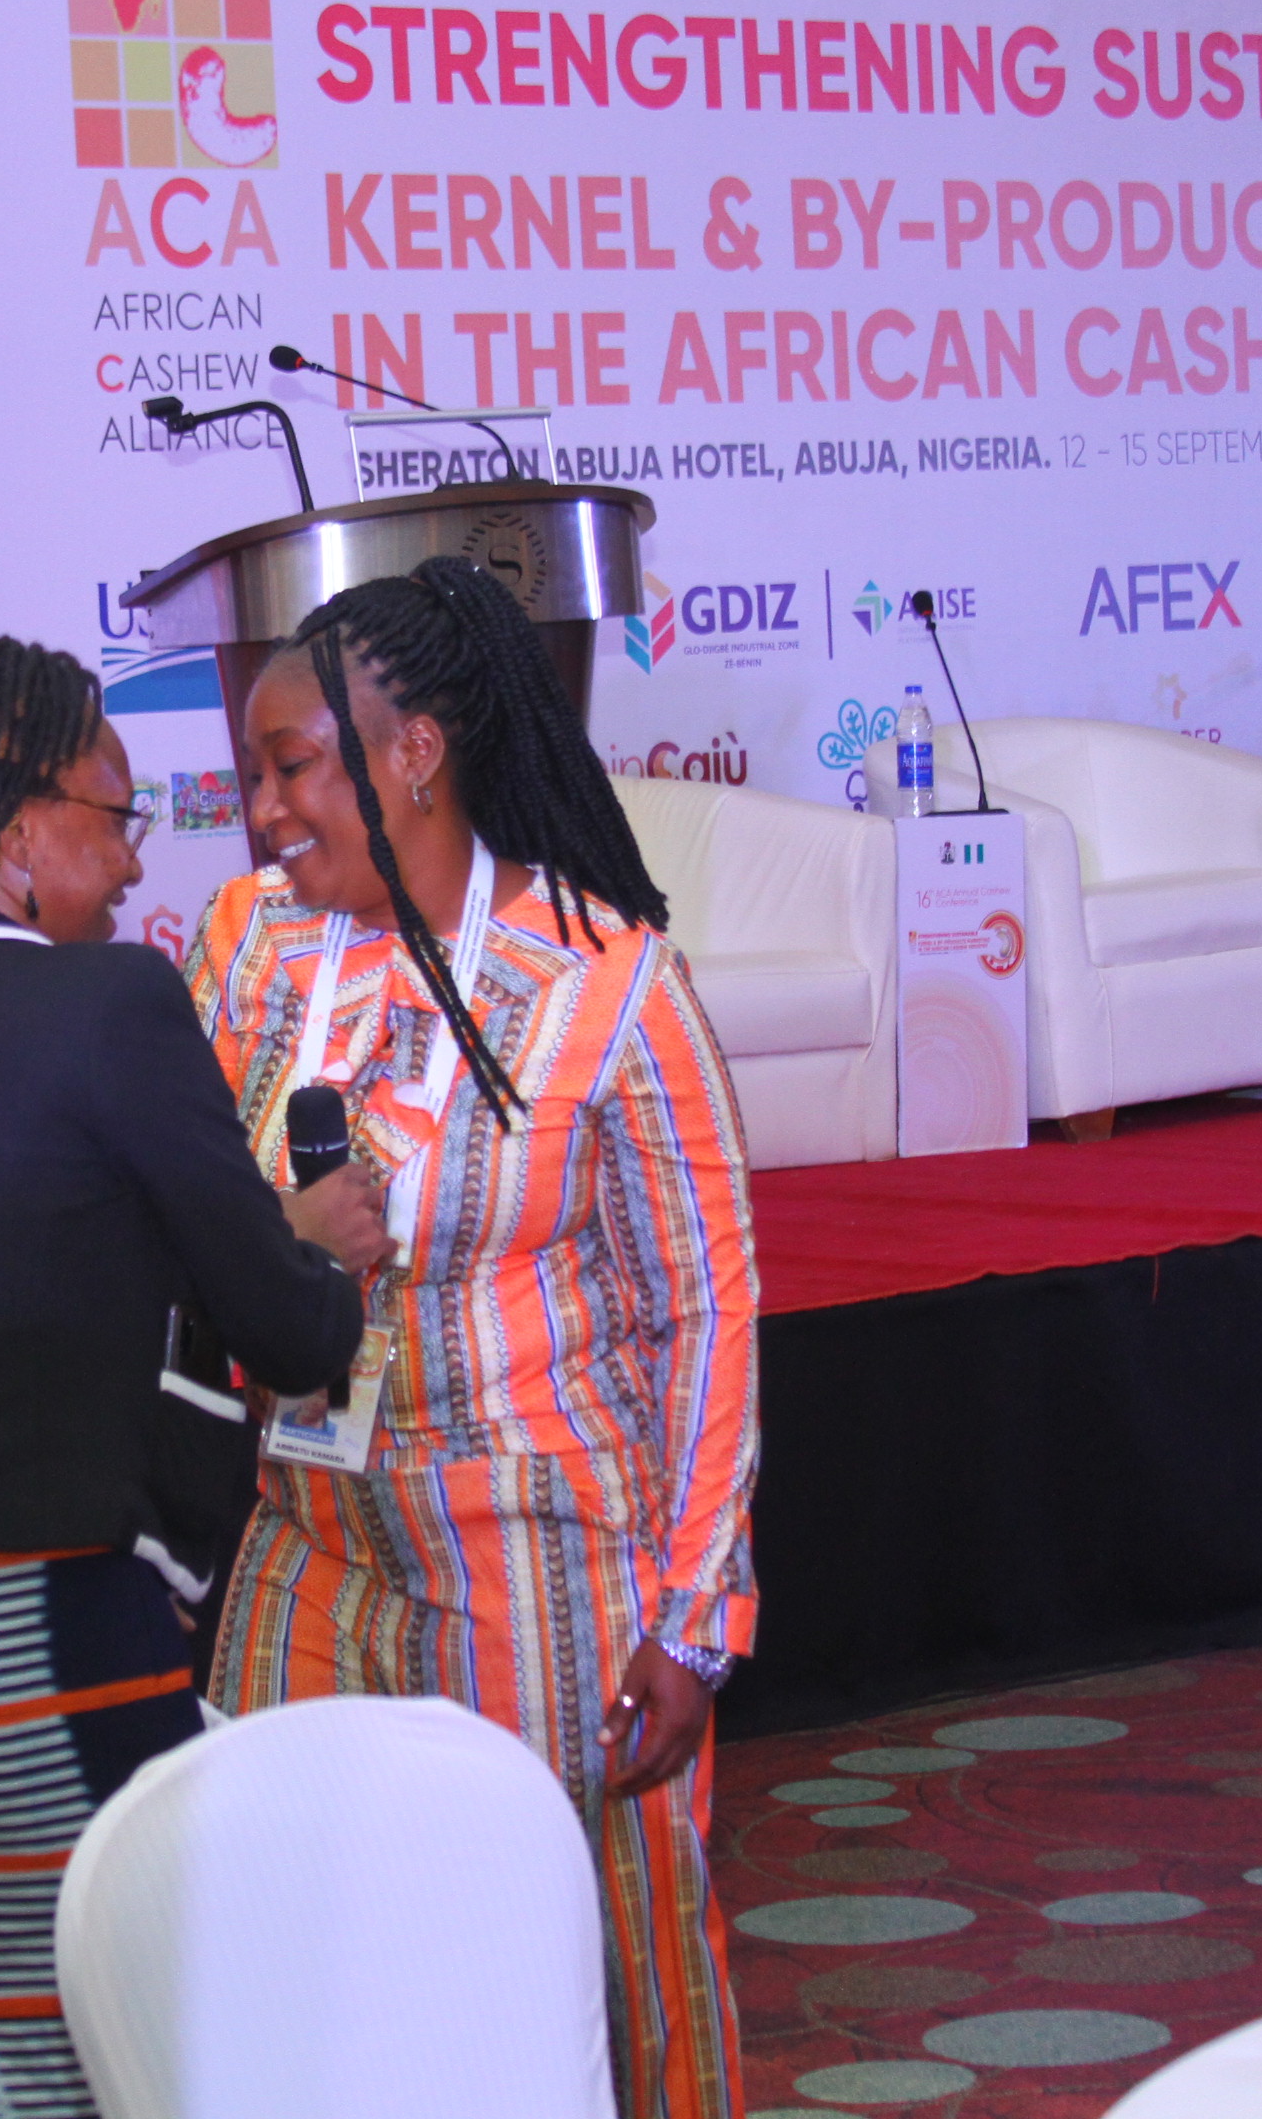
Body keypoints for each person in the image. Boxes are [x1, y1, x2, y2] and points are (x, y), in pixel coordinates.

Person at [0, 636, 387, 2119]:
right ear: (15, 835)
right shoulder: (108, 1006)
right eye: (115, 817)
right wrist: (315, 1253)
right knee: (106, 2054)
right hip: (53, 1638)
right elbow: (290, 1334)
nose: (132, 862)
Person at [185, 559, 760, 2119]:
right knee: (272, 1934)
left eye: (293, 767)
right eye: (253, 774)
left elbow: (703, 1308)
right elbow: (178, 1195)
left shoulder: (607, 981)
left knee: (595, 1957)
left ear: (416, 753)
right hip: (307, 1530)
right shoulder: (248, 944)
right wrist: (276, 1234)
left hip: (537, 1554)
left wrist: (694, 1615)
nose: (262, 810)